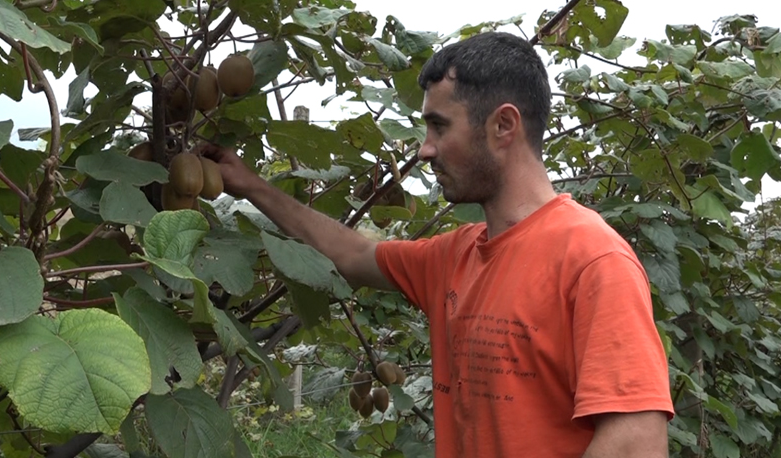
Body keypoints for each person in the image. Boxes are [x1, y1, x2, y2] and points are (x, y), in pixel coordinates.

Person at [200, 31, 674, 457]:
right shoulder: (456, 255)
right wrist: (252, 186)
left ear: (504, 126)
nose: (424, 148)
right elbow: (352, 254)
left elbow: (635, 442)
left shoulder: (592, 258)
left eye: (440, 126)